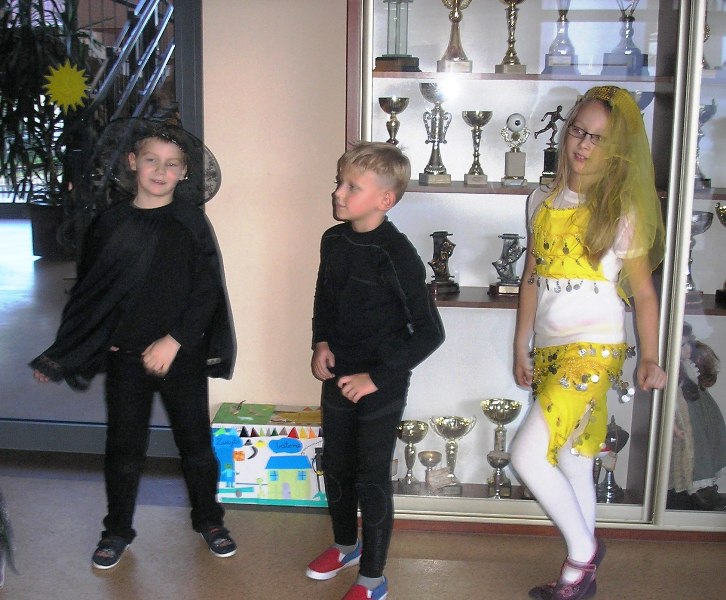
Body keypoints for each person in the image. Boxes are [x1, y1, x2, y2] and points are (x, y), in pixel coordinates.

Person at [30, 118, 236, 570]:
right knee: (124, 450)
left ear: (185, 172)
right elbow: (92, 293)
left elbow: (206, 291)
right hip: (125, 358)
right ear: (132, 162)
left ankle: (209, 520)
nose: (161, 171)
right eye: (151, 160)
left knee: (195, 446)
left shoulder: (190, 223)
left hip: (180, 356)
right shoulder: (110, 223)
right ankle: (117, 530)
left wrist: (174, 341)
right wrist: (62, 355)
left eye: (172, 163)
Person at [510, 86, 667, 600]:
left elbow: (644, 292)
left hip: (594, 351)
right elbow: (531, 278)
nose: (583, 144)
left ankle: (582, 554)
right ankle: (581, 579)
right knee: (575, 456)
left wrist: (650, 356)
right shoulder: (541, 200)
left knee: (527, 455)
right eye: (579, 131)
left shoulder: (620, 212)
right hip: (551, 349)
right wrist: (521, 344)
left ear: (616, 151)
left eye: (598, 138)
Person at [307, 142, 445, 600]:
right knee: (337, 467)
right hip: (338, 374)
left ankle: (372, 577)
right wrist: (320, 342)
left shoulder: (397, 253)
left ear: (384, 199)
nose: (338, 193)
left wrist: (376, 379)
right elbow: (324, 298)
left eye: (352, 186)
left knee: (370, 476)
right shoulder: (334, 240)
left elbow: (430, 333)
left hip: (380, 383)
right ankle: (346, 545)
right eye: (339, 182)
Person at [668, 322, 726, 511]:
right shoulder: (671, 371)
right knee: (694, 451)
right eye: (681, 346)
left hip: (700, 412)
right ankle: (697, 490)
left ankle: (704, 488)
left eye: (687, 344)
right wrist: (673, 425)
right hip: (686, 416)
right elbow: (671, 403)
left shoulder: (687, 366)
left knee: (706, 445)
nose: (686, 350)